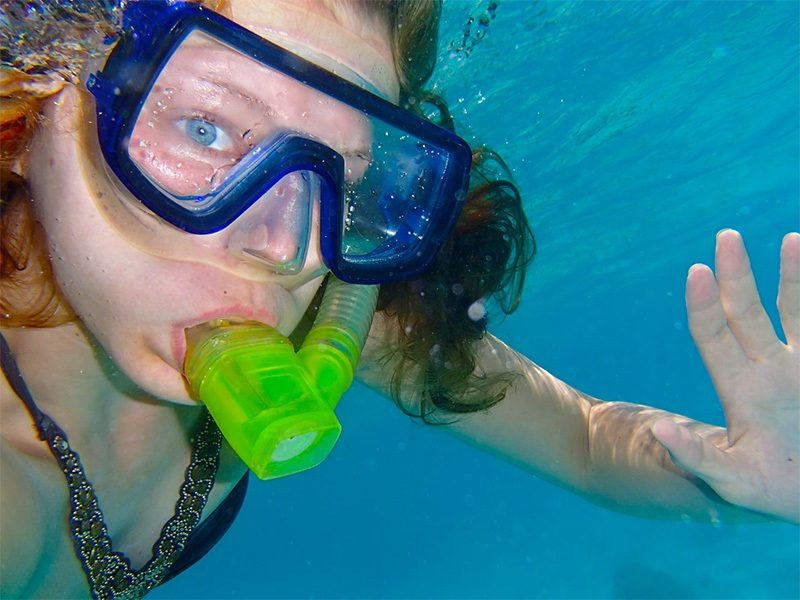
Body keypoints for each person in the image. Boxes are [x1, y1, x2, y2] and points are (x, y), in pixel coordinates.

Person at [0, 0, 797, 598]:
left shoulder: (326, 322)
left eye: (340, 177)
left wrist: (754, 473)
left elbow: (585, 443)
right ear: (37, 96)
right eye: (205, 129)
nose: (284, 247)